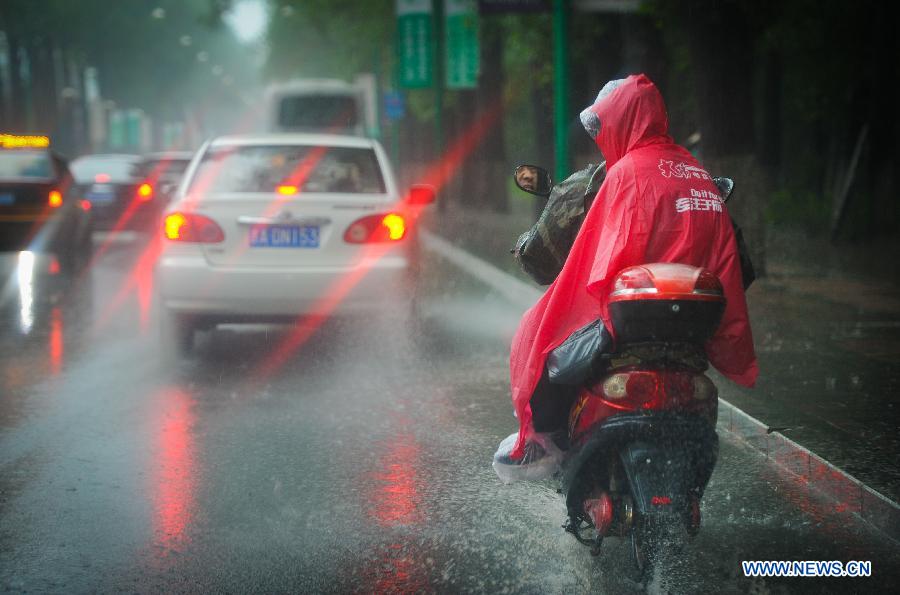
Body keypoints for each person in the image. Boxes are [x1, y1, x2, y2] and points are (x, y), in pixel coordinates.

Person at [494, 74, 758, 477]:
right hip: (690, 331)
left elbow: (595, 263)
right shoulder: (697, 174)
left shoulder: (620, 174)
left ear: (620, 121)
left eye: (603, 125)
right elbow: (737, 267)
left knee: (540, 338)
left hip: (627, 323)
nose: (600, 137)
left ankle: (543, 444)